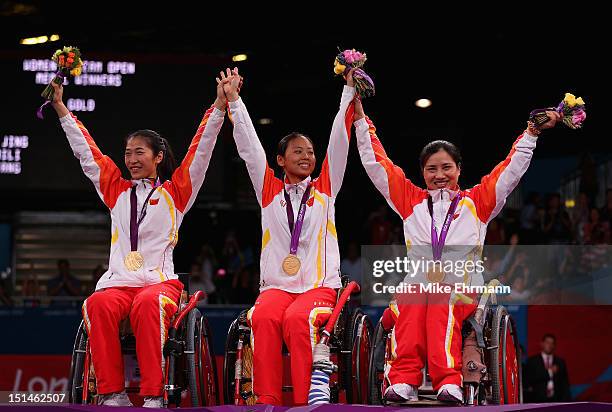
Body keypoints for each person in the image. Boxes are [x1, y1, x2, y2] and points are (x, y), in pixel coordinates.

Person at [355, 96, 561, 403]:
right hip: (418, 287)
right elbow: (377, 164)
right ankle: (403, 380)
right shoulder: (410, 202)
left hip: (462, 291)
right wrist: (360, 120)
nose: (439, 175)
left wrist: (531, 133)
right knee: (411, 296)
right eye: (431, 169)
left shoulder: (477, 203)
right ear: (422, 173)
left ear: (459, 168)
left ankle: (448, 380)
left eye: (446, 167)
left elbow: (509, 171)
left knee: (440, 296)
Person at [48, 74, 226, 407]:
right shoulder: (116, 191)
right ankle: (113, 393)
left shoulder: (176, 193)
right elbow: (87, 153)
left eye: (139, 152)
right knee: (96, 303)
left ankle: (152, 395)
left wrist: (218, 106)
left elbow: (200, 153)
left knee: (148, 303)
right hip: (117, 285)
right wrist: (60, 107)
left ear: (158, 156)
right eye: (128, 153)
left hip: (158, 286)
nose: (130, 159)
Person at [223, 67, 360, 405]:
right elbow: (250, 151)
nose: (306, 155)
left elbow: (340, 142)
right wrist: (235, 102)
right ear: (281, 160)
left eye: (310, 151)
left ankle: (304, 402)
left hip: (319, 288)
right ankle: (267, 400)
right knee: (264, 317)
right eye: (297, 151)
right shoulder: (269, 190)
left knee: (300, 320)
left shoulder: (326, 188)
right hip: (276, 289)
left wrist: (348, 92)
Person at [523, 334, 571, 402]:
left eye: (552, 343)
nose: (550, 345)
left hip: (556, 400)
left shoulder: (560, 362)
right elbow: (529, 379)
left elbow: (565, 384)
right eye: (547, 342)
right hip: (537, 400)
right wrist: (549, 372)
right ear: (542, 344)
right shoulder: (532, 361)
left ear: (554, 346)